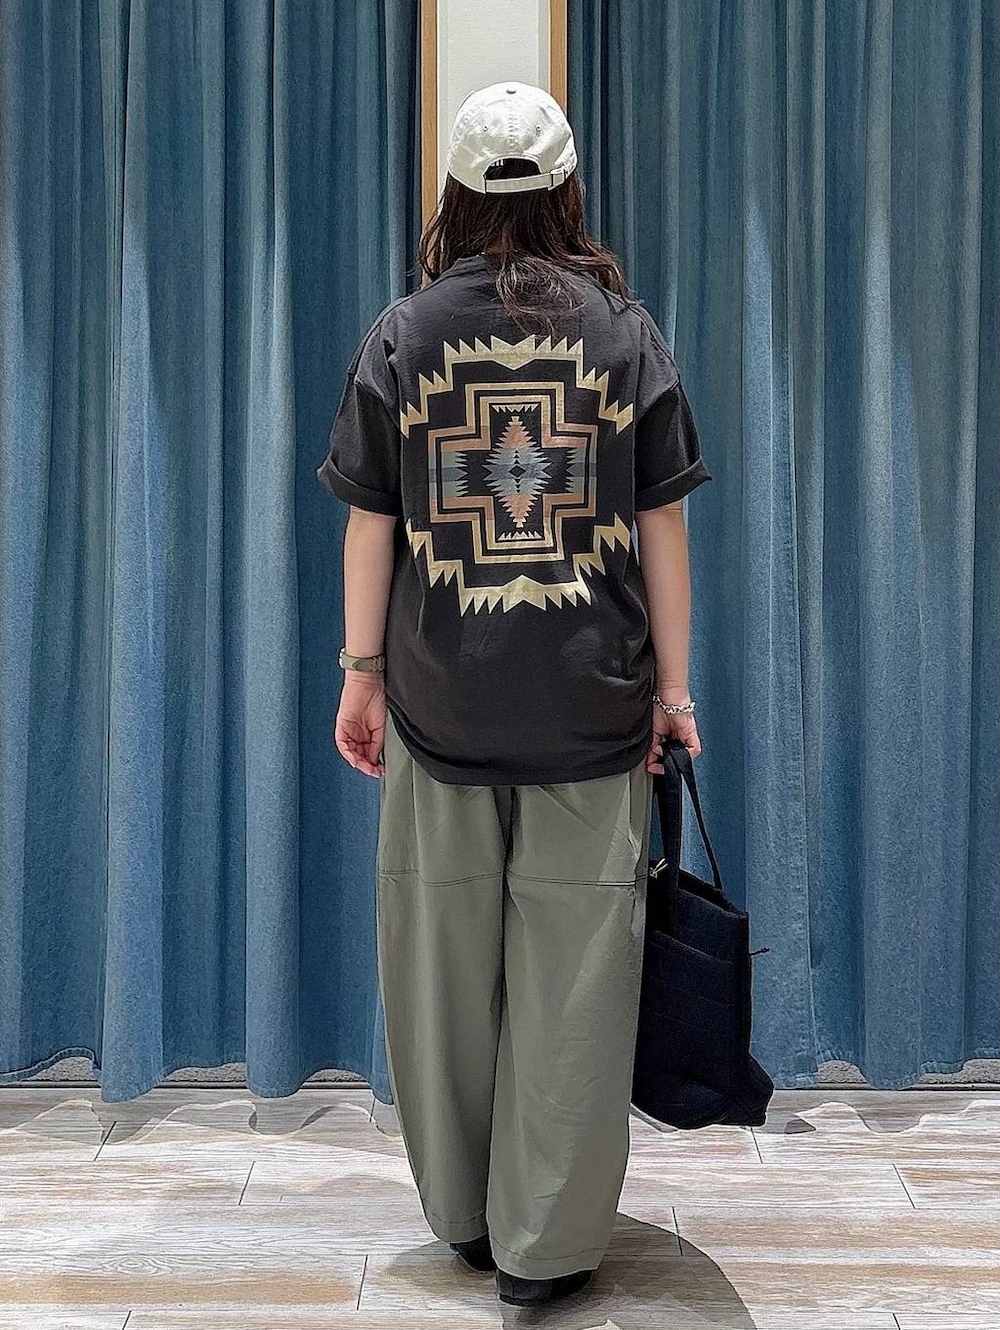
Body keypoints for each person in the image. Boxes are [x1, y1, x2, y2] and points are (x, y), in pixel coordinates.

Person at [316, 81, 712, 1308]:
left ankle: (466, 1218)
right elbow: (662, 526)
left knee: (437, 976)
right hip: (593, 708)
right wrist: (674, 692)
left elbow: (371, 523)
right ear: (566, 186)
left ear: (453, 186)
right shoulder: (624, 333)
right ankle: (545, 1243)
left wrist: (362, 674)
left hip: (440, 706)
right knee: (577, 983)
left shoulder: (402, 331)